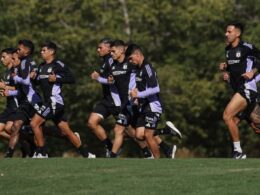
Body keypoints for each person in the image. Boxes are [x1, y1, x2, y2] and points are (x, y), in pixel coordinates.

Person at [30, 41, 95, 158]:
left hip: (54, 101)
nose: (41, 52)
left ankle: (42, 152)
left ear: (52, 52)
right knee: (66, 131)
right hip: (49, 102)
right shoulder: (41, 66)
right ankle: (87, 154)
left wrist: (57, 79)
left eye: (44, 50)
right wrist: (33, 78)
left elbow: (72, 78)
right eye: (41, 50)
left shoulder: (58, 64)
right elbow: (38, 83)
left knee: (34, 123)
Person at [219, 22, 260, 159]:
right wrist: (227, 74)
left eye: (229, 32)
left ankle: (238, 152)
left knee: (227, 115)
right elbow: (234, 70)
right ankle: (235, 153)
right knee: (246, 123)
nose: (226, 34)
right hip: (239, 90)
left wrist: (253, 72)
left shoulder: (247, 47)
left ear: (237, 33)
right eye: (226, 31)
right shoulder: (228, 50)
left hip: (247, 88)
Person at [5, 40, 43, 158]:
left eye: (19, 49)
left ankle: (41, 150)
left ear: (26, 51)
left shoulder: (28, 62)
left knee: (39, 127)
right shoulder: (21, 64)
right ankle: (9, 154)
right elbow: (21, 88)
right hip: (25, 103)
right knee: (16, 126)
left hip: (34, 100)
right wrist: (10, 91)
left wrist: (16, 78)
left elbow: (26, 82)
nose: (17, 51)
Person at [87, 38, 115, 157]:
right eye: (97, 47)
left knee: (135, 132)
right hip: (106, 100)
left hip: (116, 101)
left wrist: (98, 78)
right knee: (92, 122)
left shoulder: (111, 61)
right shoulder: (105, 61)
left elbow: (113, 81)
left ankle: (160, 149)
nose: (97, 50)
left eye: (100, 47)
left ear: (109, 49)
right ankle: (109, 147)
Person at [0, 48, 19, 140]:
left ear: (11, 56)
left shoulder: (15, 71)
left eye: (3, 57)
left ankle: (27, 140)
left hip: (17, 107)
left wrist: (5, 87)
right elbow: (5, 90)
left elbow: (20, 90)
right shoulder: (5, 73)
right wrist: (2, 92)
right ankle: (20, 142)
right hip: (9, 107)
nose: (1, 59)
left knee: (8, 128)